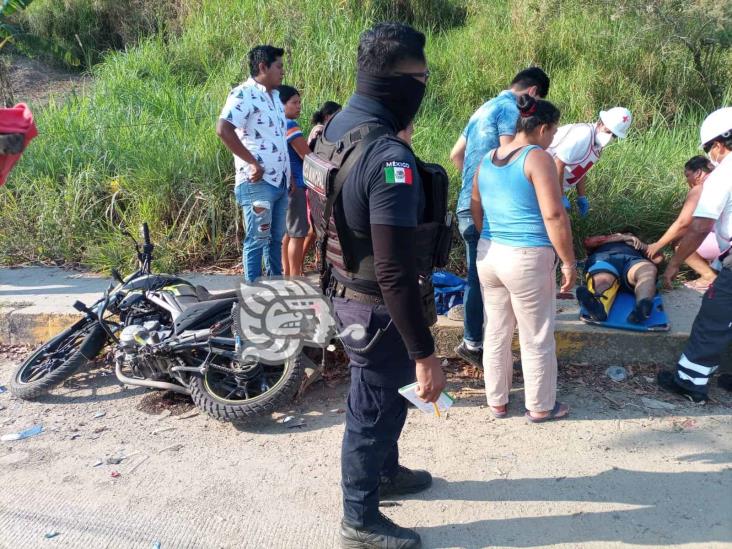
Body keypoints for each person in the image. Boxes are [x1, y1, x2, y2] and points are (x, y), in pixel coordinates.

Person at [310, 22, 446, 549]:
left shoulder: (335, 128)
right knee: (371, 410)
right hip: (376, 308)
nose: (425, 87)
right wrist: (425, 352)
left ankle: (385, 474)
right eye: (422, 77)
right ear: (398, 82)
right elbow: (393, 270)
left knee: (385, 400)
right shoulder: (389, 159)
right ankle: (360, 520)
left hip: (345, 293)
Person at [471, 94, 576, 423]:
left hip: (489, 254)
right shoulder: (537, 158)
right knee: (536, 335)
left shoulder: (488, 157)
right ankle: (541, 406)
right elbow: (555, 215)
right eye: (554, 131)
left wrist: (492, 235)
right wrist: (569, 261)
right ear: (542, 128)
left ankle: (497, 402)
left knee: (497, 331)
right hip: (526, 256)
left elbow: (476, 205)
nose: (554, 138)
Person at [449, 67, 551, 369]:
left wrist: (475, 185)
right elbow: (510, 155)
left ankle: (475, 343)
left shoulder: (483, 108)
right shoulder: (510, 110)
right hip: (491, 211)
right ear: (532, 93)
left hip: (468, 204)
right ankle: (482, 348)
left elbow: (457, 154)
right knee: (492, 282)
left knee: (477, 276)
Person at [658, 107, 732, 403]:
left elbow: (700, 225)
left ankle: (690, 382)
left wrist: (674, 263)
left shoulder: (724, 173)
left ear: (718, 144)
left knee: (713, 317)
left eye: (708, 148)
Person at [216, 45, 289, 282]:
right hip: (258, 182)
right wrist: (253, 163)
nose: (283, 71)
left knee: (275, 240)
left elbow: (277, 138)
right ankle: (254, 297)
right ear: (262, 67)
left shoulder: (277, 98)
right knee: (257, 239)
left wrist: (289, 176)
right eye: (278, 66)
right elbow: (223, 129)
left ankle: (275, 290)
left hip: (280, 182)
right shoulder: (243, 93)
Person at [646, 156, 719, 290]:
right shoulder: (723, 180)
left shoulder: (701, 188)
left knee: (680, 242)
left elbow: (683, 224)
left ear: (698, 173)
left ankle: (709, 276)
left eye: (687, 175)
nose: (687, 181)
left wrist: (658, 245)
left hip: (727, 243)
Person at [547, 107, 632, 216]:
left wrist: (582, 197)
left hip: (552, 185)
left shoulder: (597, 147)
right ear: (601, 123)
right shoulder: (583, 135)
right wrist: (560, 196)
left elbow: (581, 171)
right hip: (541, 180)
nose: (609, 137)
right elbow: (557, 164)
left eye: (614, 135)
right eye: (608, 131)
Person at [577, 233, 662, 324]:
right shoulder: (606, 238)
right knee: (603, 278)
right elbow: (588, 243)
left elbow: (658, 259)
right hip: (605, 258)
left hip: (633, 260)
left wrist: (644, 246)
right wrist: (621, 238)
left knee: (647, 270)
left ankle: (643, 306)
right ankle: (599, 308)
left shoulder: (637, 244)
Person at [277, 85, 312, 277]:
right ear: (282, 104)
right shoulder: (289, 125)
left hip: (283, 183)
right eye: (294, 102)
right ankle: (296, 277)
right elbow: (306, 154)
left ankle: (288, 274)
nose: (299, 106)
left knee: (288, 233)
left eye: (300, 102)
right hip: (296, 183)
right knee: (298, 234)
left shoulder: (276, 123)